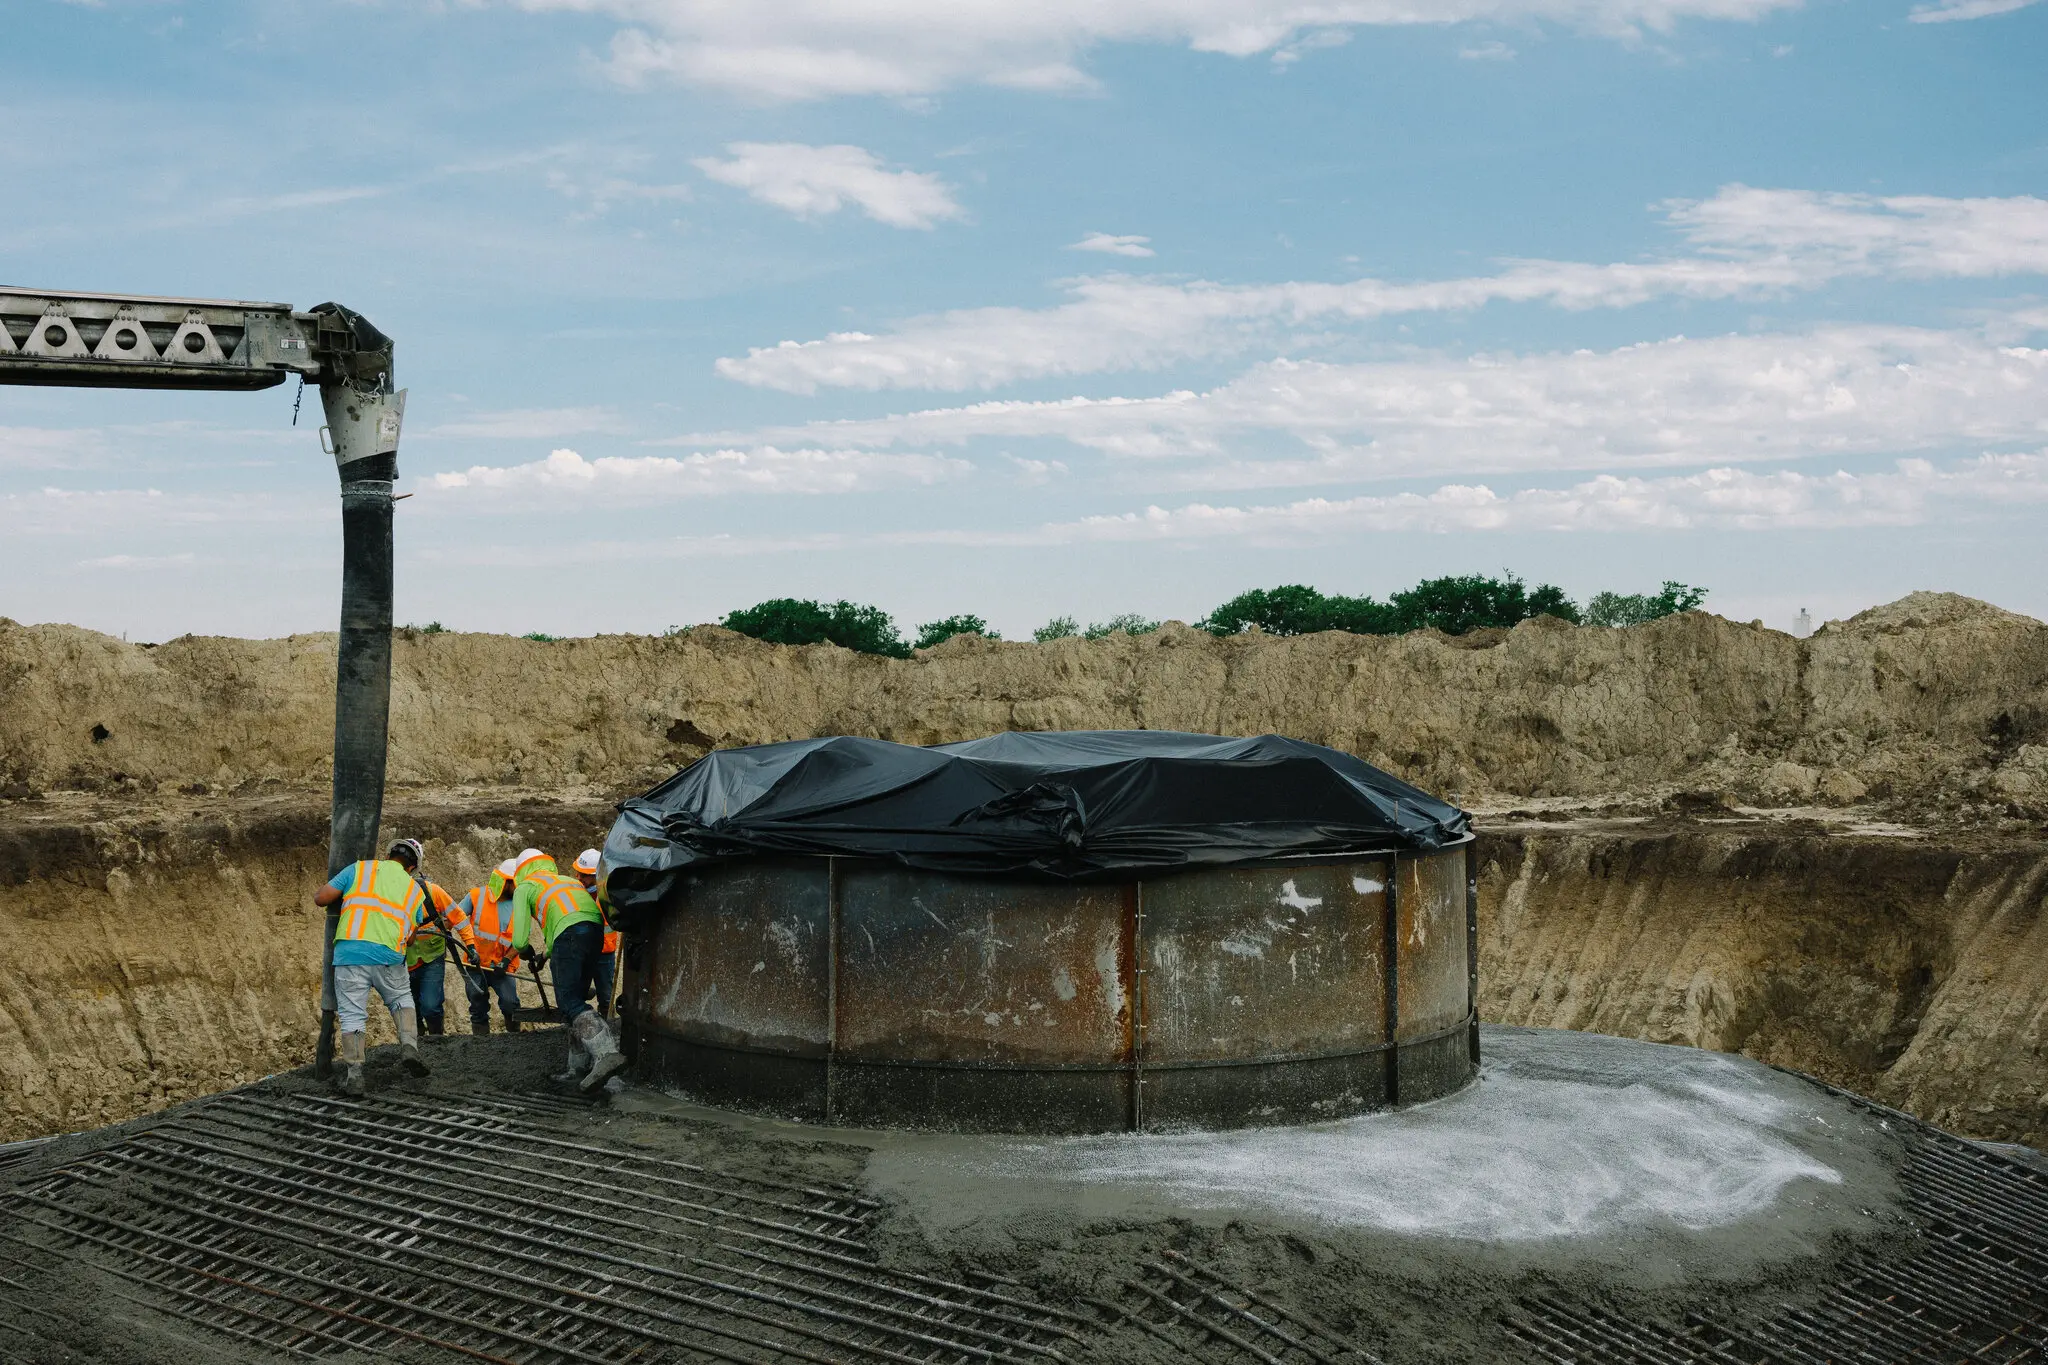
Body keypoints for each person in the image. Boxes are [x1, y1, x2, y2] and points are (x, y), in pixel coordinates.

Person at [310, 838, 434, 1096]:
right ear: (413, 867)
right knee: (401, 998)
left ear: (388, 854)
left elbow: (322, 898)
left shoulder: (360, 869)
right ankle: (409, 1046)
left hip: (351, 953)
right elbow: (411, 937)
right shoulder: (414, 891)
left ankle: (355, 1074)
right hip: (389, 954)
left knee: (353, 1014)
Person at [510, 847, 626, 1091]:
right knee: (574, 1004)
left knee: (570, 1003)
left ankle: (606, 1054)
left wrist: (526, 952)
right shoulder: (565, 881)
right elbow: (573, 918)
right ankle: (578, 1067)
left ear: (521, 871)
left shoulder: (525, 887)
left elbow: (519, 941)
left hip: (570, 937)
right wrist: (545, 955)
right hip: (593, 933)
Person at [454, 860, 529, 1034]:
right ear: (507, 882)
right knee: (477, 1001)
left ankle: (515, 1039)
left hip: (502, 966)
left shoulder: (520, 905)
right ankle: (482, 1045)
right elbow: (455, 918)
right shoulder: (476, 896)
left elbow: (520, 939)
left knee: (511, 1004)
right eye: (516, 882)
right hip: (475, 964)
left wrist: (506, 961)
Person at [405, 864, 477, 1037]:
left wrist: (471, 946)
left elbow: (458, 917)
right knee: (409, 1008)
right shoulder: (389, 893)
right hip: (403, 960)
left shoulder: (433, 892)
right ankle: (418, 1042)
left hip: (432, 956)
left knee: (430, 1006)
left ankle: (437, 1041)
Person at [571, 849, 619, 1019]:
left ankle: (608, 1026)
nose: (579, 878)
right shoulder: (576, 893)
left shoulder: (609, 895)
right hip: (582, 953)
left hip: (604, 954)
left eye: (584, 875)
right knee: (576, 995)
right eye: (578, 873)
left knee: (606, 997)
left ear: (596, 875)